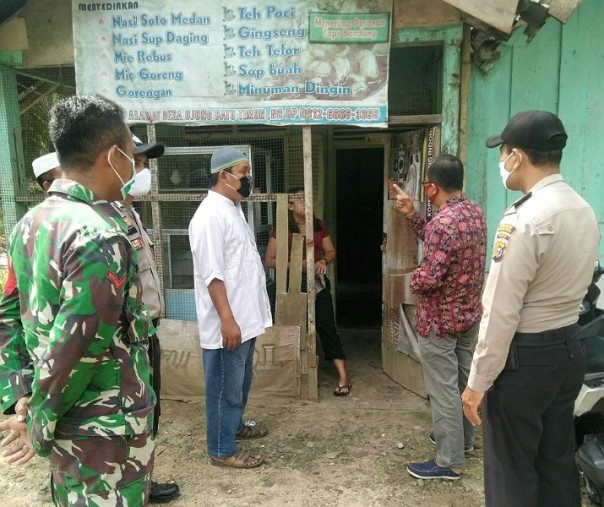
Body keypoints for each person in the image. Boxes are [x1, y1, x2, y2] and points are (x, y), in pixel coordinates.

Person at [0, 95, 156, 505]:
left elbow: (8, 316)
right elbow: (78, 349)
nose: (135, 165)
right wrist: (36, 419)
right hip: (102, 430)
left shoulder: (29, 224)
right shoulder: (100, 235)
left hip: (69, 424)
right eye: (130, 153)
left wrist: (21, 393)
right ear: (113, 155)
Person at [462, 111, 600, 506]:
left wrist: (477, 384)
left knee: (511, 469)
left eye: (503, 151)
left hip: (525, 360)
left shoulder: (525, 218)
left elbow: (501, 312)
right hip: (568, 349)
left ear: (517, 156)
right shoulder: (581, 208)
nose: (502, 160)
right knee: (556, 461)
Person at [392, 154, 487, 480]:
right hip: (468, 316)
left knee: (443, 390)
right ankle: (464, 443)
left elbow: (430, 276)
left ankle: (448, 462)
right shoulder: (474, 213)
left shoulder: (444, 224)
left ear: (431, 187)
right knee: (462, 384)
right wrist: (411, 215)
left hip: (441, 322)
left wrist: (413, 276)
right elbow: (439, 241)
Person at [188, 146, 272, 469]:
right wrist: (227, 319)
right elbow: (213, 274)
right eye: (244, 173)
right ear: (223, 176)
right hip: (229, 322)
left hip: (244, 320)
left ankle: (233, 426)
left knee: (239, 382)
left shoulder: (232, 208)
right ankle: (222, 449)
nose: (249, 179)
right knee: (224, 387)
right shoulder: (209, 216)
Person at [109, 134, 180, 503]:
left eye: (144, 163)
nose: (144, 170)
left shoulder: (130, 212)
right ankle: (122, 483)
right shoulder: (101, 220)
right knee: (127, 417)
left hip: (145, 332)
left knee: (148, 414)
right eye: (137, 163)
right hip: (122, 340)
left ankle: (142, 481)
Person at [265, 187, 351, 396]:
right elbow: (270, 260)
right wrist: (298, 264)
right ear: (290, 205)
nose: (305, 202)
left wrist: (323, 260)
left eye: (307, 198)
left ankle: (343, 377)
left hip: (317, 284)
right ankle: (290, 377)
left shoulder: (319, 226)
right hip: (289, 285)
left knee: (326, 326)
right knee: (290, 328)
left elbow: (331, 251)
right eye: (300, 199)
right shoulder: (282, 229)